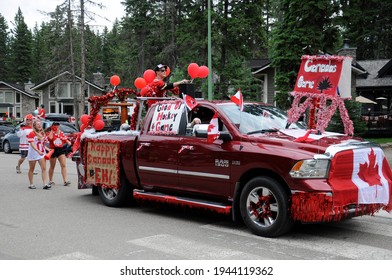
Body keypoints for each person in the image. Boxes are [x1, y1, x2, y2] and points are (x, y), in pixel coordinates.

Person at [26, 120, 51, 190]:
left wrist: (48, 149)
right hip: (33, 153)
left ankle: (45, 184)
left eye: (40, 124)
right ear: (34, 126)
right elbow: (32, 144)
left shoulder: (42, 133)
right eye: (37, 124)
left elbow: (42, 144)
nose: (39, 125)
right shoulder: (32, 133)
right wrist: (38, 151)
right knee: (32, 168)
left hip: (41, 153)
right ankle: (31, 184)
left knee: (44, 168)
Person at [46, 122, 71, 186]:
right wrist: (52, 130)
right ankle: (50, 180)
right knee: (52, 166)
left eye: (57, 125)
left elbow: (64, 139)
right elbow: (50, 138)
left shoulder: (61, 132)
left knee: (63, 165)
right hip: (53, 149)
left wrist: (68, 141)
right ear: (52, 126)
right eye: (55, 125)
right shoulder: (50, 132)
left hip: (60, 149)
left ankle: (65, 180)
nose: (56, 127)